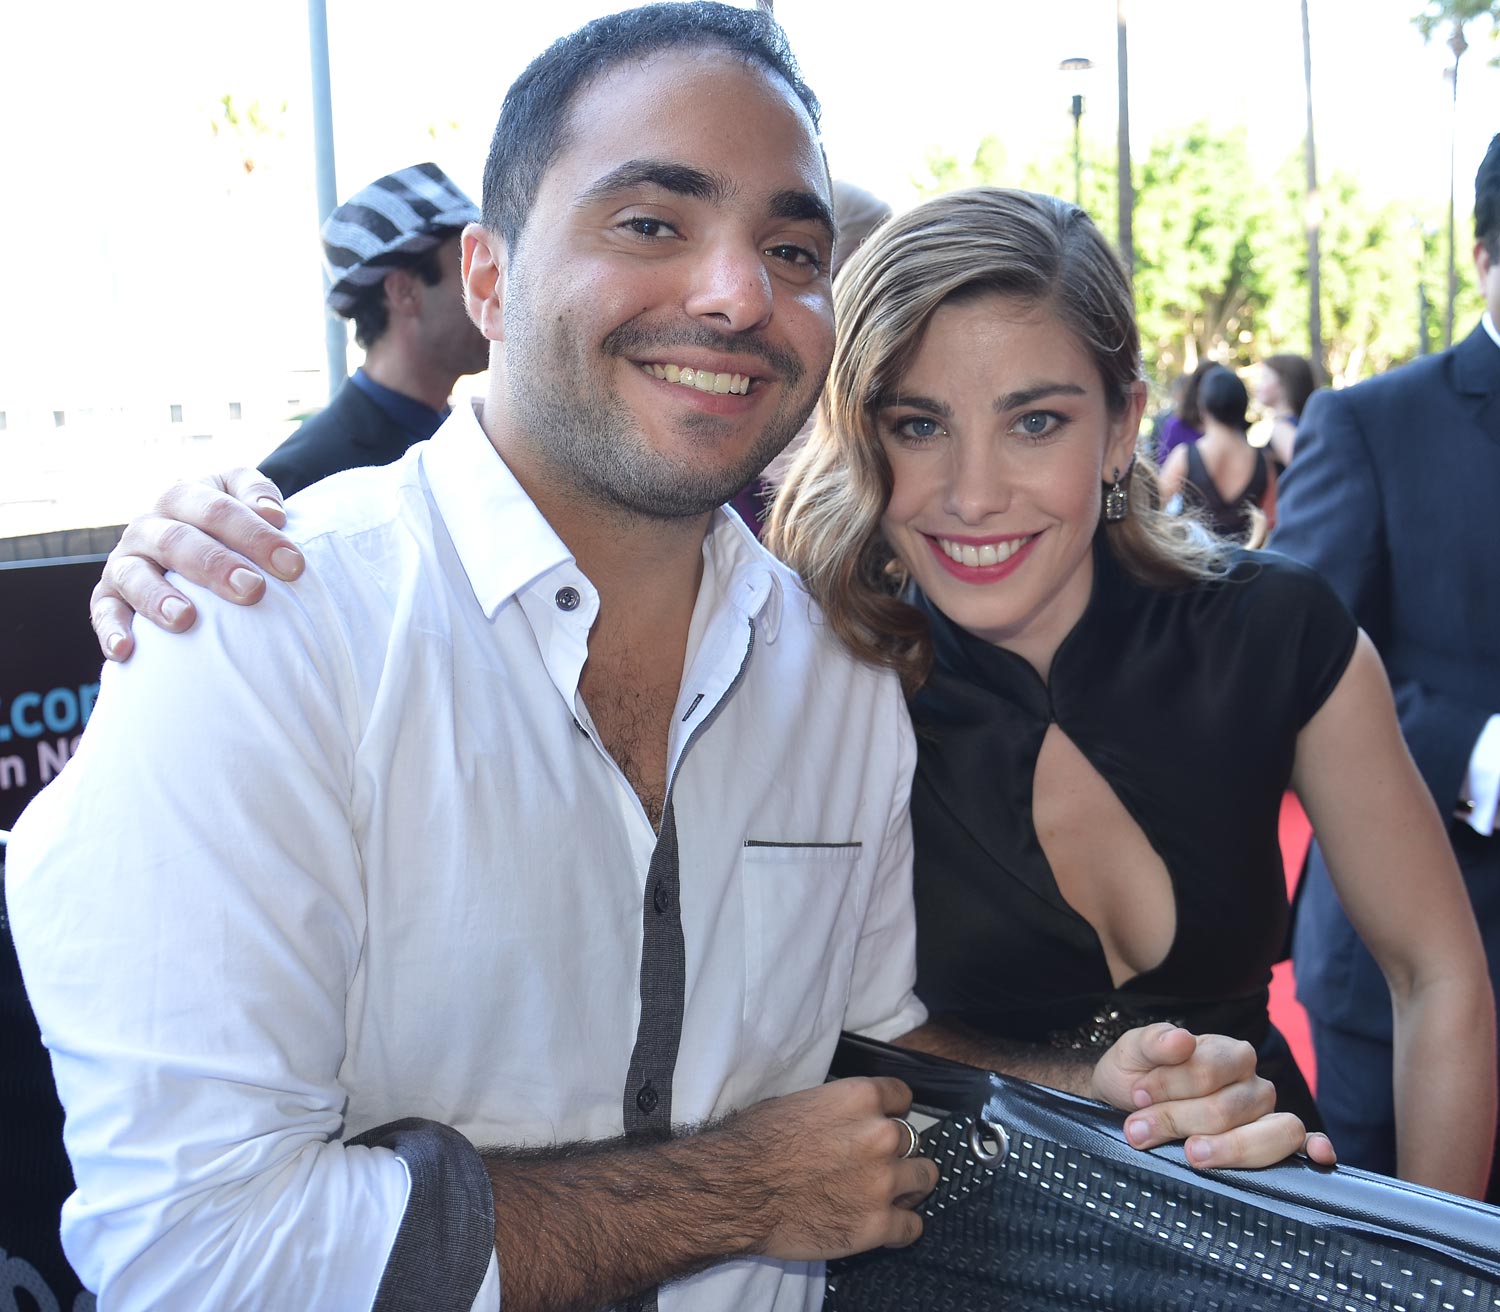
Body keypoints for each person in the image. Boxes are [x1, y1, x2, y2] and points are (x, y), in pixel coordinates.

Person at [7, 8, 1315, 1311]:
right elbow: (199, 1259)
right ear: (487, 278)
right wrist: (736, 1193)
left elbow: (875, 1038)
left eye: (792, 249)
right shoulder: (258, 639)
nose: (738, 293)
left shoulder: (843, 676)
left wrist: (1094, 1090)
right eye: (650, 222)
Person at [765, 187, 1495, 1194]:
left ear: (1121, 429)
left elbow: (1436, 973)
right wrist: (1080, 1088)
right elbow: (792, 1044)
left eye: (1035, 422)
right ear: (863, 438)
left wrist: (1422, 1260)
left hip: (1264, 1213)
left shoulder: (1274, 631)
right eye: (920, 424)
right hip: (950, 1233)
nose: (973, 494)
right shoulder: (824, 676)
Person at [1269, 132, 1500, 1205]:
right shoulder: (1373, 425)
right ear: (1484, 253)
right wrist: (1474, 748)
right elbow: (1281, 674)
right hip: (1398, 979)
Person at [261, 162, 491, 498]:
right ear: (404, 292)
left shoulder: (469, 439)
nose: (493, 290)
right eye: (467, 267)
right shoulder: (295, 480)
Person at [1159, 363, 1277, 541]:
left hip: (1195, 554)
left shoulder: (1185, 455)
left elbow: (1157, 508)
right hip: (1246, 554)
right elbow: (1271, 519)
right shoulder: (1263, 461)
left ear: (1203, 407)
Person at [1254, 352, 1316, 471]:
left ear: (1284, 384)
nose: (1258, 386)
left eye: (1265, 377)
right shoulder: (1306, 421)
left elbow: (1306, 471)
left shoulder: (1283, 429)